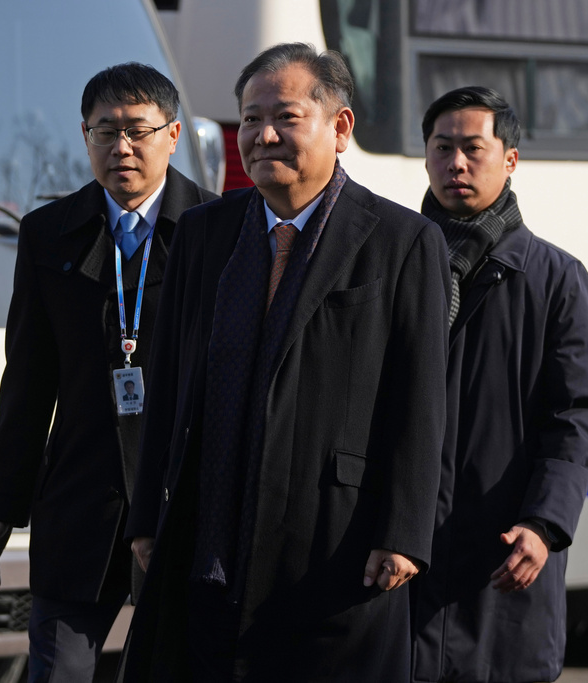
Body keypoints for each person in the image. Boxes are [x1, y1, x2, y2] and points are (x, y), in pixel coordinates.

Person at [118, 43, 450, 682]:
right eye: (248, 118)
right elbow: (167, 385)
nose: (263, 134)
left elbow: (421, 396)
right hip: (206, 534)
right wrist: (145, 517)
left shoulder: (402, 242)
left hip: (334, 538)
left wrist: (406, 530)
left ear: (340, 127)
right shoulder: (203, 233)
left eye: (286, 117)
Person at [0, 62, 216, 682]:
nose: (121, 148)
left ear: (173, 135)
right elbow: (27, 381)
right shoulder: (49, 233)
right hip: (80, 504)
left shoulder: (218, 230)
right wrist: (1, 509)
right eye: (105, 132)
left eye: (138, 130)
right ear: (85, 136)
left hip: (181, 504)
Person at [411, 86, 588, 683]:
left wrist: (544, 524)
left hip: (502, 562)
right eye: (442, 148)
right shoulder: (393, 264)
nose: (456, 164)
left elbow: (578, 416)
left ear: (511, 159)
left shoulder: (556, 280)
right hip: (401, 572)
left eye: (473, 148)